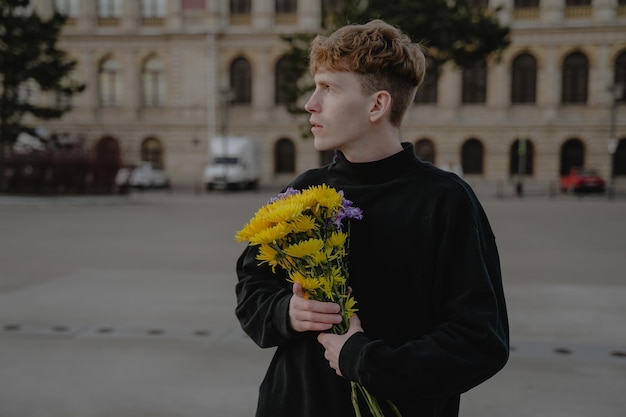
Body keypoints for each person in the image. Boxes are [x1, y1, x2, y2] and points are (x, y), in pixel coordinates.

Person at [235, 19, 509, 417]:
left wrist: (365, 359)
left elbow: (480, 341)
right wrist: (287, 313)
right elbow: (251, 290)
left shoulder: (446, 201)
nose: (311, 103)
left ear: (377, 104)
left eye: (328, 88)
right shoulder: (303, 192)